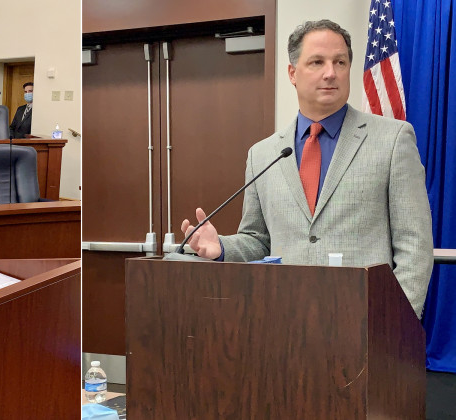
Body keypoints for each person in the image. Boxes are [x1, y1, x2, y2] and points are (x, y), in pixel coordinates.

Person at [181, 19, 433, 318]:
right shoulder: (262, 154)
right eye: (317, 62)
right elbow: (258, 240)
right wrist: (220, 248)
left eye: (340, 62)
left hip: (367, 324)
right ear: (292, 73)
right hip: (285, 326)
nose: (331, 73)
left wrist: (394, 322)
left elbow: (414, 245)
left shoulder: (392, 140)